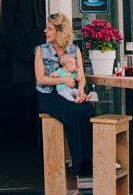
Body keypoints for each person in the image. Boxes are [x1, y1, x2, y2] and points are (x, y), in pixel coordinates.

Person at [34, 12, 95, 176]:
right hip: (49, 95)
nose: (45, 32)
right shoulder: (41, 50)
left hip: (71, 92)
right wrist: (61, 81)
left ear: (59, 32)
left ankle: (89, 160)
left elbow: (81, 76)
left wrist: (81, 90)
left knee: (87, 109)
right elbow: (40, 79)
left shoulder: (74, 50)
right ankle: (79, 164)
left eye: (49, 29)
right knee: (74, 112)